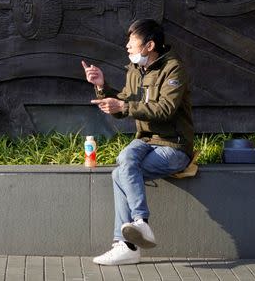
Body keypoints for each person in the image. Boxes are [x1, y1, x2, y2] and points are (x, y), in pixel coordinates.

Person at [81, 19, 194, 266]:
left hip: (172, 145)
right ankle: (138, 228)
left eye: (132, 43)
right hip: (145, 140)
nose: (127, 47)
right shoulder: (135, 70)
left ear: (149, 45)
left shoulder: (173, 69)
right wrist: (101, 87)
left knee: (120, 173)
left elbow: (165, 110)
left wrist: (124, 105)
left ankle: (128, 243)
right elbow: (124, 104)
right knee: (124, 163)